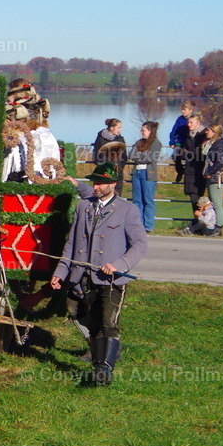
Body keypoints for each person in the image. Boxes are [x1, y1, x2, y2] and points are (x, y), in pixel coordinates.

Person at [50, 162, 148, 386]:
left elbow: (140, 244)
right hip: (82, 276)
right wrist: (61, 271)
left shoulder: (127, 210)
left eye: (101, 183)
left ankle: (103, 370)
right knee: (83, 317)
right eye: (95, 182)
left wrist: (120, 264)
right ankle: (99, 358)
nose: (96, 187)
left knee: (108, 323)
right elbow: (71, 243)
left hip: (111, 279)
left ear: (113, 184)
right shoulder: (83, 207)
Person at [127, 121, 162, 232]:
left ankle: (148, 226)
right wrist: (141, 156)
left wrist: (139, 156)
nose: (141, 132)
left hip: (148, 174)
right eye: (141, 130)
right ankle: (138, 224)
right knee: (137, 200)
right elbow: (131, 155)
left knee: (148, 200)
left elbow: (150, 158)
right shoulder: (139, 142)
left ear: (150, 131)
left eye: (144, 130)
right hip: (136, 173)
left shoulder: (156, 143)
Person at [201, 123, 223, 236]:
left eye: (208, 130)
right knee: (214, 202)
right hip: (212, 178)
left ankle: (219, 227)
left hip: (216, 178)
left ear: (214, 132)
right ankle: (213, 227)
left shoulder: (219, 145)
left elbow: (222, 161)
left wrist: (209, 172)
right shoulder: (213, 144)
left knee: (217, 203)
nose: (206, 132)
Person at [181, 113, 207, 210]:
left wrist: (188, 153)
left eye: (191, 122)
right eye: (188, 122)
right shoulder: (188, 136)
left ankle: (201, 221)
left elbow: (201, 152)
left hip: (199, 170)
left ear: (197, 123)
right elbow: (183, 151)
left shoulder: (203, 136)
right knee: (193, 197)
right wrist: (186, 153)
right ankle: (197, 221)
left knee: (197, 197)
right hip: (189, 170)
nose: (188, 124)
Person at [93, 118, 126, 194]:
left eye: (120, 128)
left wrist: (120, 167)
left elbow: (124, 156)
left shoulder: (120, 139)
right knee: (103, 191)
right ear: (111, 128)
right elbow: (96, 154)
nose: (120, 130)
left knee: (117, 192)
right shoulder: (100, 139)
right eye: (118, 128)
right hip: (104, 170)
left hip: (117, 170)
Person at [169, 100, 197, 183]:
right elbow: (174, 130)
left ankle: (189, 174)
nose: (182, 111)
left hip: (189, 143)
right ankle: (180, 172)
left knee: (190, 158)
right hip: (179, 142)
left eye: (184, 110)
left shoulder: (194, 119)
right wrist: (172, 142)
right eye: (182, 109)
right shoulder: (180, 119)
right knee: (175, 156)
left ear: (190, 110)